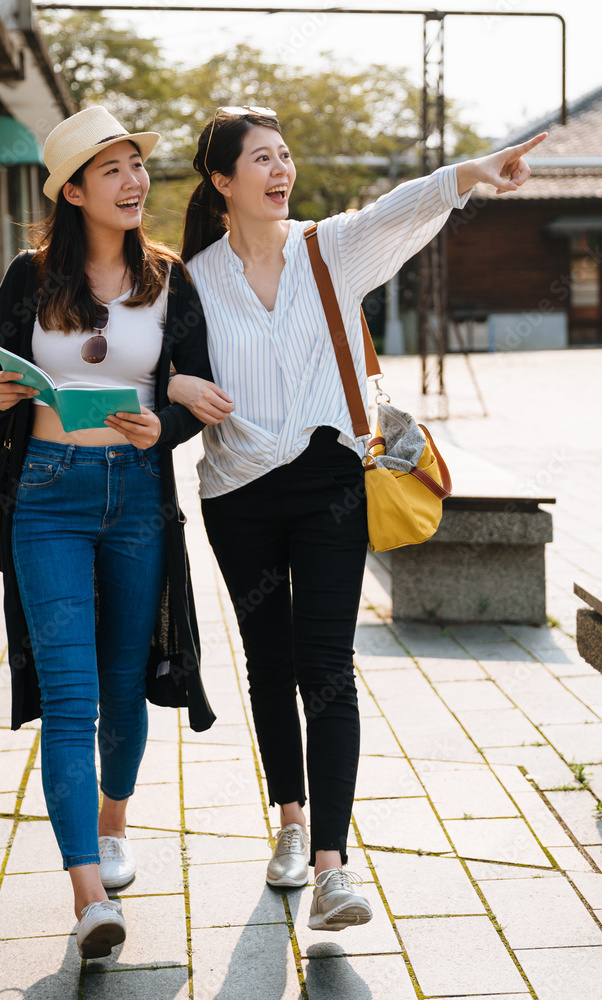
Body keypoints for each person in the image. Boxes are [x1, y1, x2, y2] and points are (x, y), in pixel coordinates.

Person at [168, 106, 546, 931]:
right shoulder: (192, 281)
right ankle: (291, 826)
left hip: (329, 480)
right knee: (268, 664)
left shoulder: (325, 248)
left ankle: (333, 867)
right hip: (236, 493)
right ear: (222, 181)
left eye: (285, 154)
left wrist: (476, 171)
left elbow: (400, 207)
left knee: (326, 664)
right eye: (260, 159)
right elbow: (159, 371)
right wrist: (172, 389)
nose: (280, 170)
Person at [0, 106, 228, 959]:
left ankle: (113, 827)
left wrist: (167, 423)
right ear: (74, 190)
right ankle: (89, 897)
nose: (133, 181)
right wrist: (1, 392)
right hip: (47, 494)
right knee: (69, 700)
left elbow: (194, 393)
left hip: (135, 500)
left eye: (136, 165)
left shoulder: (169, 278)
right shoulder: (29, 275)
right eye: (111, 168)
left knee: (125, 687)